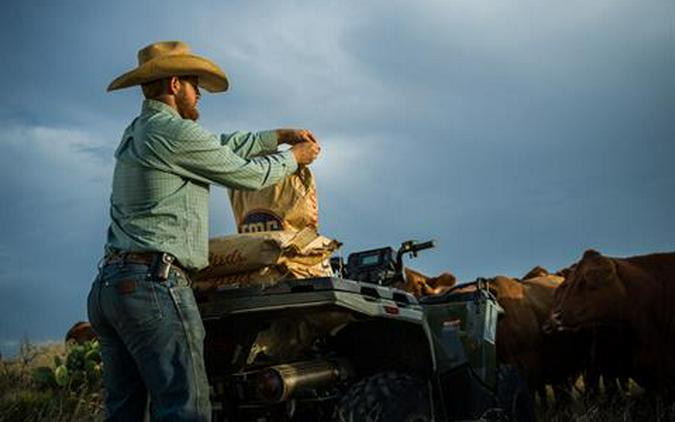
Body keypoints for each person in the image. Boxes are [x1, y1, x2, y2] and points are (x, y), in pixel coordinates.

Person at [87, 41, 320, 421]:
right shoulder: (172, 131)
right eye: (196, 86)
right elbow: (247, 174)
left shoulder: (141, 130)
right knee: (186, 410)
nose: (200, 96)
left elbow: (220, 146)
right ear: (176, 84)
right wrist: (293, 158)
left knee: (124, 412)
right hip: (153, 284)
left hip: (110, 288)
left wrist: (276, 135)